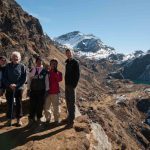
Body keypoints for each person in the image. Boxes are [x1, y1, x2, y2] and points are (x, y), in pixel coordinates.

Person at [3, 51, 27, 126]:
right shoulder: (7, 66)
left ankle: (18, 119)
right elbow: (4, 77)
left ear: (19, 59)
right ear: (11, 58)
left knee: (18, 104)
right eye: (13, 57)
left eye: (17, 58)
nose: (15, 59)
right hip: (9, 88)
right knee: (9, 103)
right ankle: (9, 118)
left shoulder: (22, 66)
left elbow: (24, 78)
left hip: (18, 88)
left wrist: (16, 85)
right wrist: (9, 85)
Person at [27, 56, 49, 126]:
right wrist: (28, 89)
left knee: (40, 105)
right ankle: (31, 119)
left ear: (42, 62)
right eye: (38, 62)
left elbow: (47, 82)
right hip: (33, 91)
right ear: (36, 62)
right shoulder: (32, 70)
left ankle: (39, 118)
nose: (39, 63)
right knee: (32, 105)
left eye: (40, 61)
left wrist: (46, 91)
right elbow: (29, 80)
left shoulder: (45, 71)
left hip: (41, 91)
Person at [44, 59, 62, 124]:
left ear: (56, 65)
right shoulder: (47, 73)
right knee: (46, 107)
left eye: (55, 64)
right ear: (50, 64)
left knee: (56, 107)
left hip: (55, 92)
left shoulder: (59, 73)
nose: (53, 65)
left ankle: (56, 120)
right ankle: (48, 119)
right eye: (52, 63)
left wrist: (55, 72)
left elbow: (59, 79)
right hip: (48, 92)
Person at [65, 49, 80, 127]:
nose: (68, 54)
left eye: (69, 53)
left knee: (72, 103)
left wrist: (74, 85)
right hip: (67, 85)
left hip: (72, 86)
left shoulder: (75, 62)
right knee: (67, 102)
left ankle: (72, 121)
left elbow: (77, 75)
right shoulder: (67, 62)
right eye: (67, 53)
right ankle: (69, 117)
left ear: (72, 53)